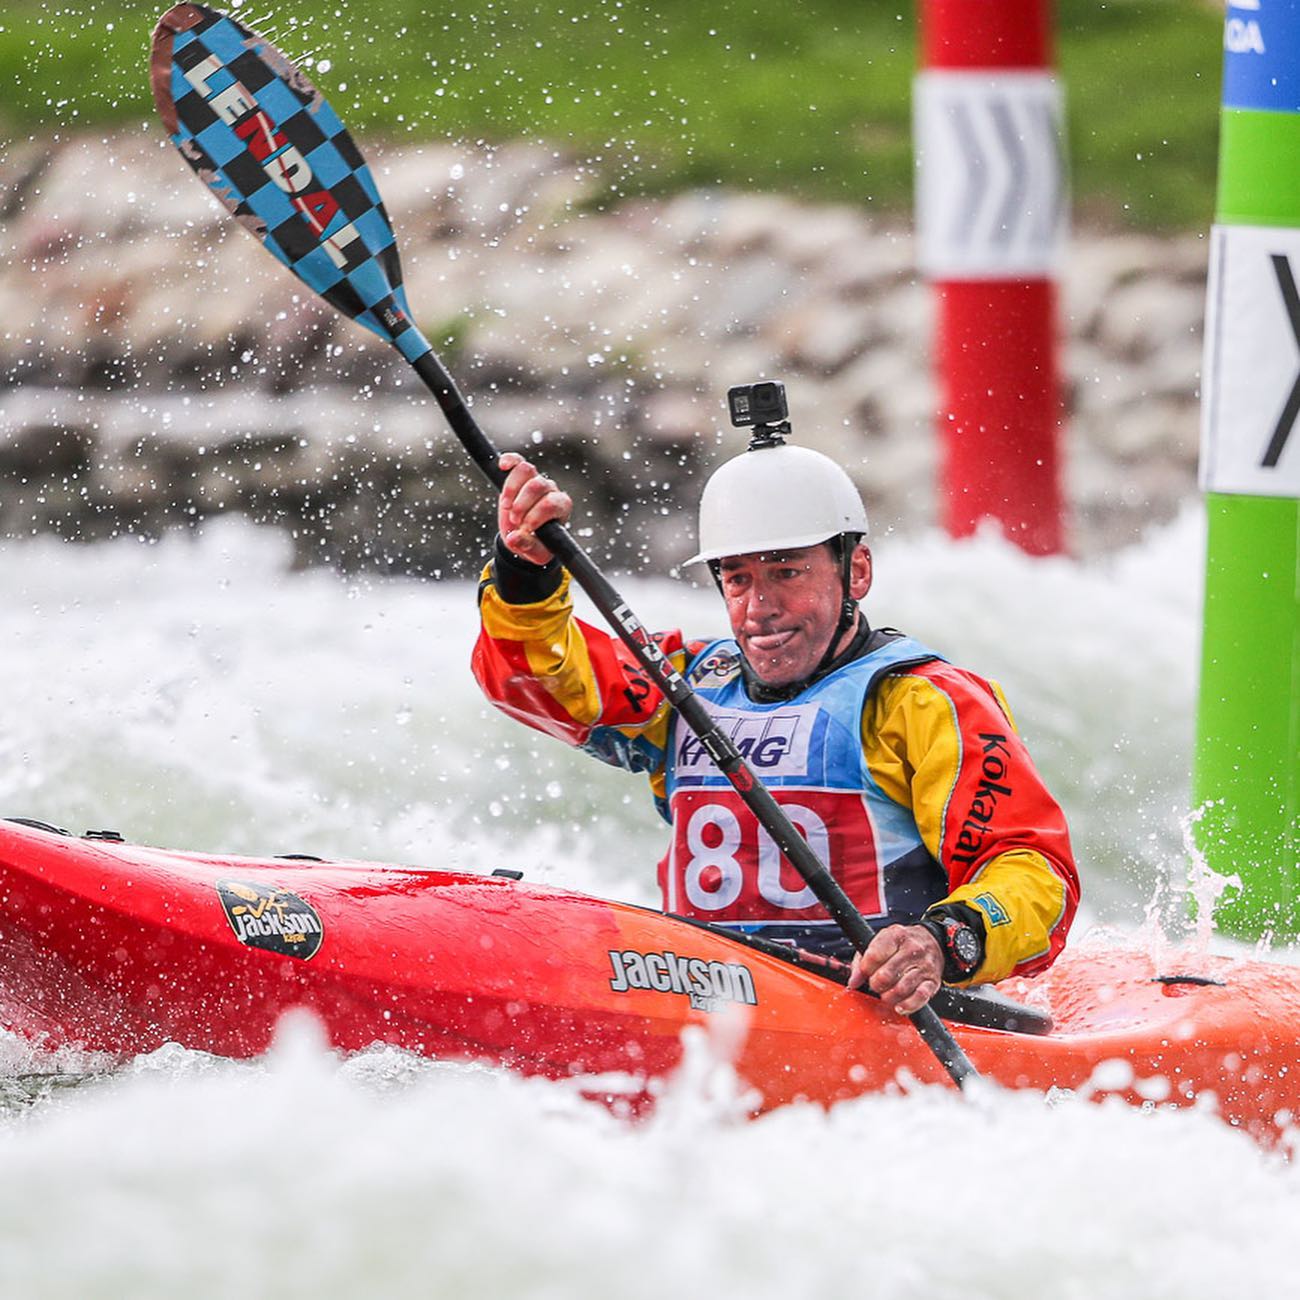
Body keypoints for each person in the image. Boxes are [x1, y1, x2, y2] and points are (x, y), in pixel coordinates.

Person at [472, 405, 1079, 1016]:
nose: (759, 606)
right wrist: (525, 575)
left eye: (787, 573)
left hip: (874, 1014)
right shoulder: (683, 683)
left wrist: (941, 941)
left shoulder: (923, 702)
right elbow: (534, 681)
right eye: (736, 579)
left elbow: (1032, 869)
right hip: (705, 1006)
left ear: (857, 571)